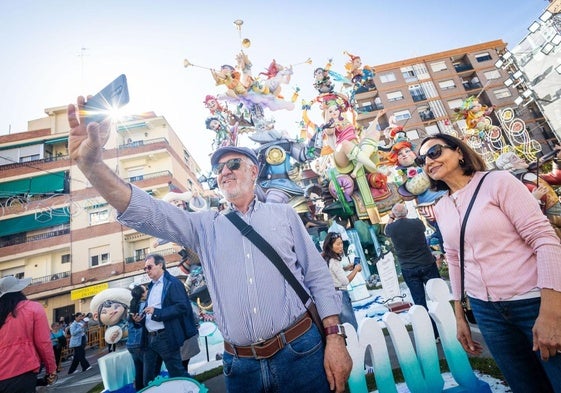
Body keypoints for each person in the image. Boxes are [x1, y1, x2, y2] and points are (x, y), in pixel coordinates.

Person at [67, 99, 352, 393]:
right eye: (219, 168)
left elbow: (318, 277)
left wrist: (334, 337)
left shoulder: (284, 214)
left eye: (233, 164)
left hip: (301, 352)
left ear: (254, 172)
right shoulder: (203, 226)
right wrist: (92, 166)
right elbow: (148, 212)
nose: (224, 171)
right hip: (241, 368)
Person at [417, 133, 561, 392]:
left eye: (434, 152)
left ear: (459, 152)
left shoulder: (497, 182)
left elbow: (544, 239)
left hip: (532, 301)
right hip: (487, 313)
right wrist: (460, 316)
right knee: (525, 385)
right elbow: (454, 260)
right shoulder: (442, 207)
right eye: (422, 159)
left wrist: (551, 311)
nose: (427, 161)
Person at [137, 254, 198, 386]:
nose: (147, 270)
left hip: (165, 336)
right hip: (149, 338)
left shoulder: (173, 283)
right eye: (145, 268)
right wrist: (139, 319)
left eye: (149, 267)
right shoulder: (151, 287)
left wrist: (157, 312)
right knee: (149, 379)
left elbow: (182, 307)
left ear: (160, 265)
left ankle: (195, 389)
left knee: (177, 374)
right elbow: (150, 312)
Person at [384, 202, 441, 339]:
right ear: (407, 212)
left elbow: (386, 231)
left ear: (394, 214)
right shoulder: (417, 223)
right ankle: (447, 326)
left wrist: (391, 217)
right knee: (438, 296)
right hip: (427, 263)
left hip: (408, 268)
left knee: (420, 302)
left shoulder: (392, 228)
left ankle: (433, 334)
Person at [0, 276, 57, 393]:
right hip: (23, 371)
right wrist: (51, 369)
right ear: (19, 290)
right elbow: (43, 343)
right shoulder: (33, 308)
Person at [495, 148, 561, 240]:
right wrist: (534, 198)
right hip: (549, 220)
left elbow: (556, 178)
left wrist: (557, 160)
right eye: (515, 158)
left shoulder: (532, 175)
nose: (522, 159)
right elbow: (521, 209)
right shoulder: (516, 185)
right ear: (509, 165)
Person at [321, 232, 362, 331]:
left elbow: (334, 273)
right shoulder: (334, 261)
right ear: (330, 246)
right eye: (337, 244)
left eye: (341, 243)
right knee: (350, 323)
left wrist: (348, 268)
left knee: (342, 323)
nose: (341, 246)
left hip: (331, 293)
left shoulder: (326, 257)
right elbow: (345, 281)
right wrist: (356, 269)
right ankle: (356, 343)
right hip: (340, 293)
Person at [127, 285, 147, 391]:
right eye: (146, 290)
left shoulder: (132, 306)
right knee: (147, 372)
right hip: (140, 342)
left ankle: (139, 390)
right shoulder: (144, 305)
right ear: (142, 294)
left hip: (131, 343)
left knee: (138, 370)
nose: (147, 291)